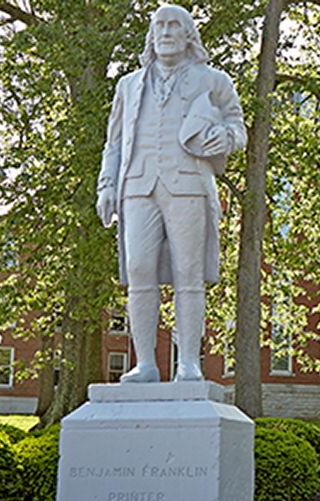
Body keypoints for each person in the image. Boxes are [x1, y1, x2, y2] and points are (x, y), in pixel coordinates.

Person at [96, 4, 247, 383]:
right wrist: (107, 185)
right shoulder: (128, 85)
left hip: (188, 186)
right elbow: (113, 142)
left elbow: (238, 129)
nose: (165, 32)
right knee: (138, 271)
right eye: (159, 25)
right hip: (137, 187)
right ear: (151, 35)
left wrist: (223, 138)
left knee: (189, 274)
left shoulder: (213, 80)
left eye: (173, 25)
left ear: (187, 35)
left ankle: (189, 365)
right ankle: (145, 364)